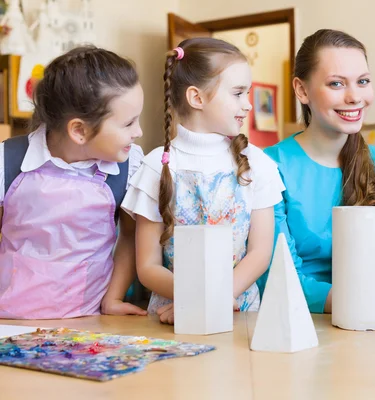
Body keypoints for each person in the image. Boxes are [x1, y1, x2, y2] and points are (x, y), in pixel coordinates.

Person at [259, 29, 375, 323]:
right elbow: (275, 274)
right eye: (336, 83)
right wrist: (369, 298)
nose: (354, 97)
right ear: (302, 90)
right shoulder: (269, 166)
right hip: (292, 322)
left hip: (366, 320)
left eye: (363, 81)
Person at [122, 38, 285, 324]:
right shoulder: (154, 166)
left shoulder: (257, 163)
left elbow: (260, 253)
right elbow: (147, 266)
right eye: (237, 93)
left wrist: (215, 298)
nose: (247, 105)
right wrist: (195, 299)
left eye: (248, 93)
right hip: (170, 318)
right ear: (196, 98)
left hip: (240, 317)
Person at [0, 46, 146, 319]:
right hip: (9, 319)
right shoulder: (7, 162)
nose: (139, 132)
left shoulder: (129, 166)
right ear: (79, 130)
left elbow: (129, 236)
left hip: (88, 321)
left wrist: (112, 299)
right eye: (128, 124)